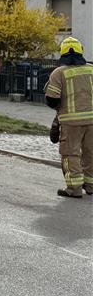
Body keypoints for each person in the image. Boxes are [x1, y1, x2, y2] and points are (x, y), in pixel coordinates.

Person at [44, 36, 93, 198]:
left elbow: (52, 100)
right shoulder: (91, 70)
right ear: (80, 51)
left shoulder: (59, 73)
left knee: (70, 153)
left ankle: (74, 188)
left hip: (71, 122)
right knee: (90, 152)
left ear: (62, 53)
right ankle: (91, 185)